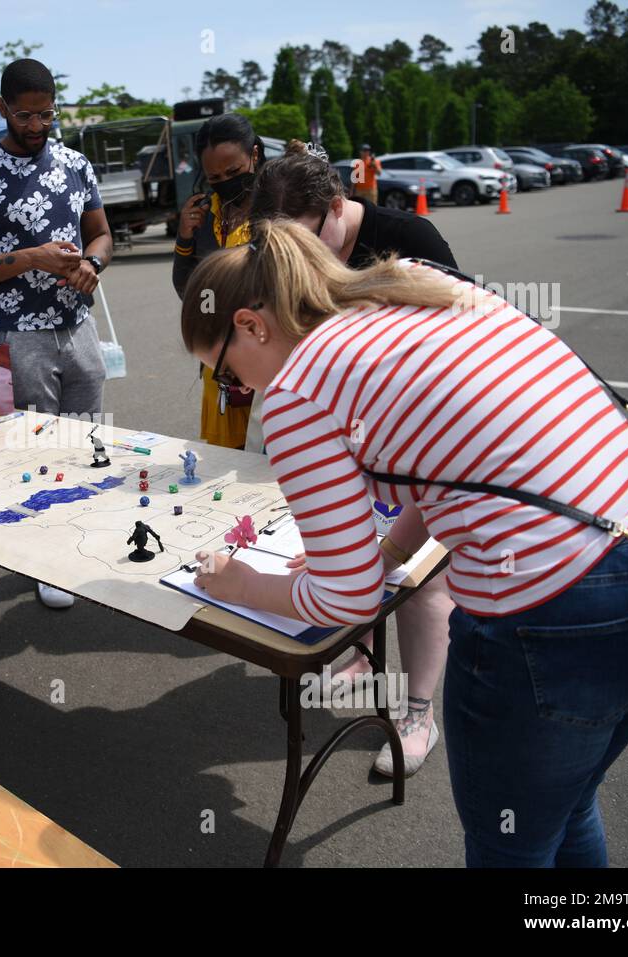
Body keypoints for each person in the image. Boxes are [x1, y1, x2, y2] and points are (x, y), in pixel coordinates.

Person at [181, 217, 628, 867]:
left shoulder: (297, 388)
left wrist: (240, 583)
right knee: (564, 808)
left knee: (509, 843)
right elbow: (456, 457)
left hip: (554, 610)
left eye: (230, 378)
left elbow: (348, 600)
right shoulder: (415, 283)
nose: (241, 397)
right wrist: (389, 553)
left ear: (251, 325)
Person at [247, 139, 458, 777]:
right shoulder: (290, 247)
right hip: (349, 440)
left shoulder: (410, 239)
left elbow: (444, 362)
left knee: (422, 578)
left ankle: (419, 711)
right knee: (345, 554)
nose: (296, 261)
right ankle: (362, 651)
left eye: (308, 240)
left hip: (423, 442)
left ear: (339, 206)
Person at [0, 57, 113, 610]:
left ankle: (80, 539)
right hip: (18, 332)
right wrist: (30, 258)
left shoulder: (75, 164)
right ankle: (45, 557)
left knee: (86, 438)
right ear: (2, 109)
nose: (38, 125)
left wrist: (94, 263)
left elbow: (102, 234)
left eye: (47, 114)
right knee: (37, 446)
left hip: (78, 324)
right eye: (26, 115)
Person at [171, 113, 266, 450]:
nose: (225, 181)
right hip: (220, 363)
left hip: (268, 359)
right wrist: (184, 238)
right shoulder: (204, 213)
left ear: (254, 156)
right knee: (223, 463)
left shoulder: (275, 209)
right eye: (214, 176)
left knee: (264, 466)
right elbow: (190, 290)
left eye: (234, 172)